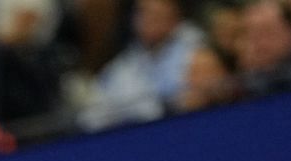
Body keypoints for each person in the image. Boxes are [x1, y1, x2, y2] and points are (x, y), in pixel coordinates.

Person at [78, 0, 207, 129]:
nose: (147, 20)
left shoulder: (195, 48)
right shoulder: (125, 63)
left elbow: (195, 98)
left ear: (174, 19)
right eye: (142, 12)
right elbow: (91, 116)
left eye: (156, 14)